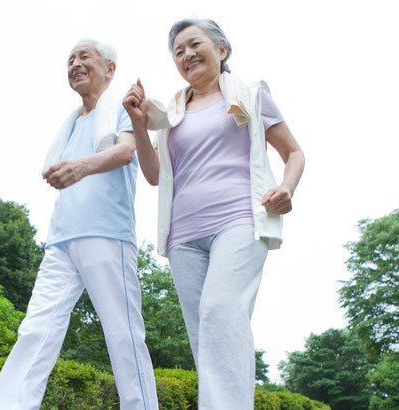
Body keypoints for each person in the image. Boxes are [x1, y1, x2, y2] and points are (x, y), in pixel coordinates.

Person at [123, 19, 305, 409]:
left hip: (240, 220)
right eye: (178, 51)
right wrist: (140, 124)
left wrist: (286, 188)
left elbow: (294, 152)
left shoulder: (252, 95)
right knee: (205, 335)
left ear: (221, 50)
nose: (187, 54)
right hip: (183, 238)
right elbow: (155, 175)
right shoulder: (170, 114)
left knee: (219, 310)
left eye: (194, 44)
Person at [0, 39, 159, 410]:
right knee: (35, 331)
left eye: (84, 57)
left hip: (107, 234)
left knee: (123, 336)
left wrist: (80, 167)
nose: (75, 64)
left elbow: (126, 151)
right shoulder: (70, 125)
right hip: (61, 240)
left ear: (110, 69)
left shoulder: (122, 109)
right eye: (70, 60)